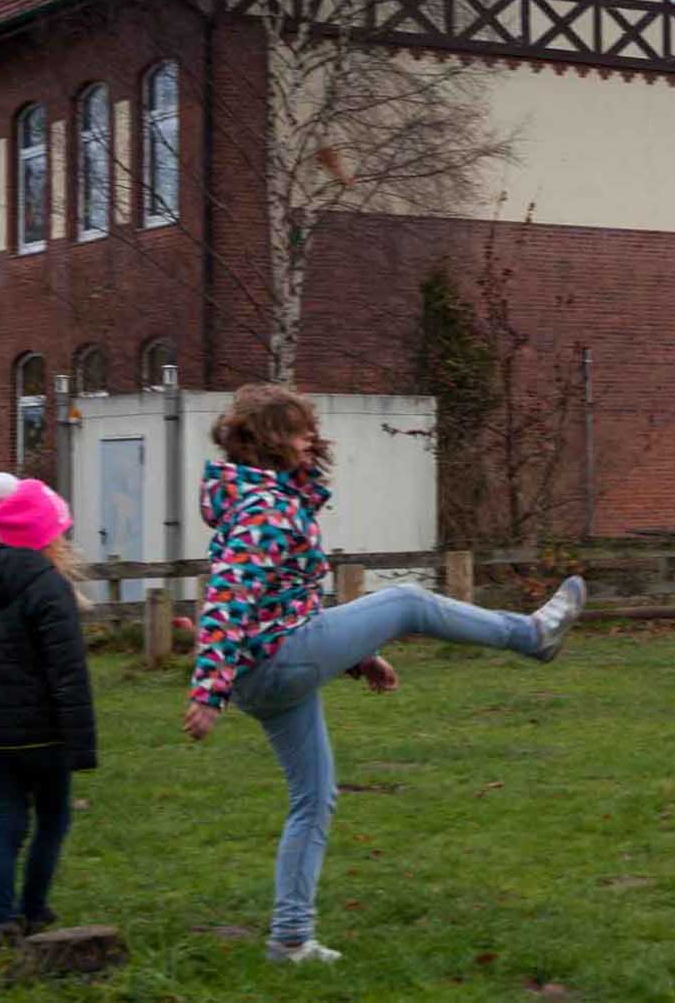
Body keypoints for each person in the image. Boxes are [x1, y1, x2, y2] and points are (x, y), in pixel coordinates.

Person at [180, 384, 587, 965]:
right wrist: (207, 693)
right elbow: (227, 600)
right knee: (405, 601)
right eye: (298, 430)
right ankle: (531, 634)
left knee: (313, 799)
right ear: (271, 439)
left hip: (270, 669)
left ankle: (290, 939)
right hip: (269, 664)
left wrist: (354, 655)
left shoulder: (268, 500)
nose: (310, 440)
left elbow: (280, 603)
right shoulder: (264, 507)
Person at [0, 472, 97, 951]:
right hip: (42, 733)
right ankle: (33, 909)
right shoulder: (50, 589)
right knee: (52, 820)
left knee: (7, 823)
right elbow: (68, 672)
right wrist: (81, 743)